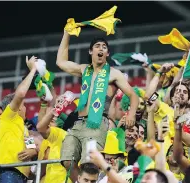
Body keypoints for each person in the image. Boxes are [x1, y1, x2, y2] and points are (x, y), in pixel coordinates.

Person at [57, 30, 139, 182]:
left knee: (90, 163)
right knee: (67, 161)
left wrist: (132, 114)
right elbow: (61, 62)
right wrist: (67, 34)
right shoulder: (84, 69)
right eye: (97, 46)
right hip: (78, 123)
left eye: (104, 47)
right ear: (91, 51)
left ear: (107, 53)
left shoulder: (114, 73)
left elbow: (133, 95)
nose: (101, 49)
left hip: (97, 123)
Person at [0, 56, 39, 183]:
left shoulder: (24, 127)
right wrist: (33, 70)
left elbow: (31, 146)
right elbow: (20, 94)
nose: (25, 108)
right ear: (16, 108)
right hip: (8, 172)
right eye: (23, 105)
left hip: (22, 176)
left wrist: (33, 150)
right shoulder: (8, 117)